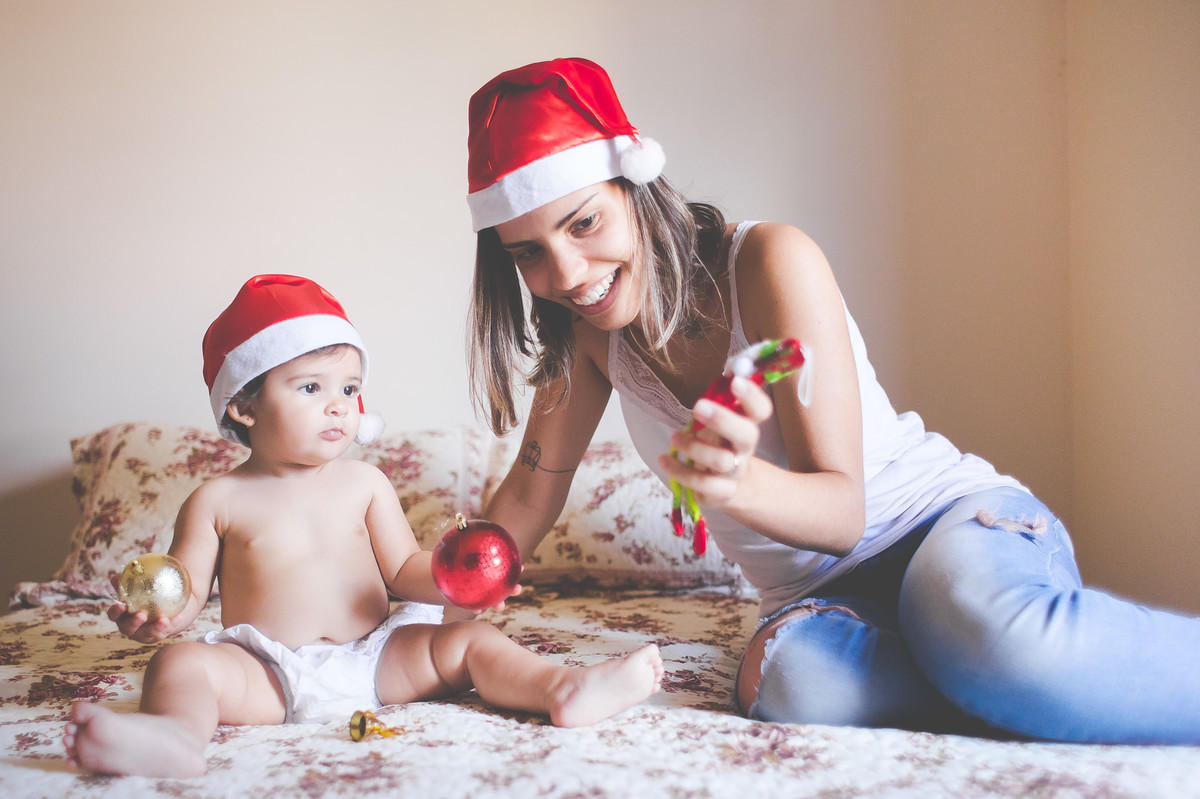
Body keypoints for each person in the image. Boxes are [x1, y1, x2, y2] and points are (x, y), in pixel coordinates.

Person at [463, 57, 1200, 745]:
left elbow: (843, 516)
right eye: (527, 250)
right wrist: (436, 600)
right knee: (793, 684)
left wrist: (736, 482)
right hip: (820, 605)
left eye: (583, 222)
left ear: (637, 186)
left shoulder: (769, 260)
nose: (565, 273)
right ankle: (987, 671)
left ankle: (996, 654)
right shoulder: (587, 335)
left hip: (938, 527)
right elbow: (529, 492)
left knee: (979, 626)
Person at [62, 274, 664, 778]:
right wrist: (158, 620)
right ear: (243, 406)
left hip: (379, 658)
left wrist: (463, 580)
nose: (338, 405)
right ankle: (175, 741)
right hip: (270, 672)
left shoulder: (365, 483)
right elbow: (188, 592)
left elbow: (404, 570)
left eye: (349, 388)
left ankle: (562, 689)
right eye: (311, 388)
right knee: (179, 665)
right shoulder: (217, 499)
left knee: (469, 643)